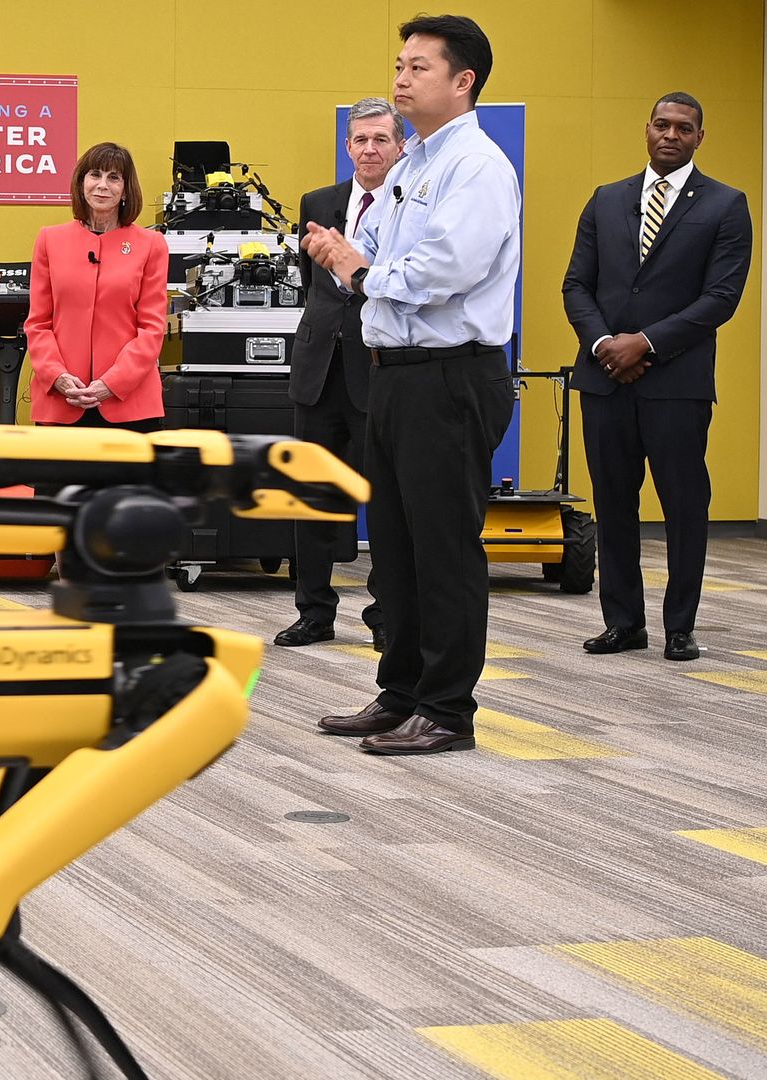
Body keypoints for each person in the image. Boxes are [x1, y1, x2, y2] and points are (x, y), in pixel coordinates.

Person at [300, 14, 520, 755]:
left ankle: (448, 709)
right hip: (392, 375)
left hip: (450, 376)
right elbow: (390, 264)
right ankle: (400, 693)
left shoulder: (478, 166)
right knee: (393, 546)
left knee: (444, 547)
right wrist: (349, 255)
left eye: (419, 67)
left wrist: (355, 270)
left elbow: (442, 270)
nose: (401, 78)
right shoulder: (411, 164)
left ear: (463, 81)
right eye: (398, 64)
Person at [563, 93, 753, 663]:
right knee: (613, 503)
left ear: (700, 137)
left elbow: (721, 297)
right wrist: (604, 345)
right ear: (647, 130)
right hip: (604, 380)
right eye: (662, 125)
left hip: (676, 383)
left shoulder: (726, 204)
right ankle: (623, 623)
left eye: (685, 128)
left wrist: (643, 343)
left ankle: (680, 626)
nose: (671, 134)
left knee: (683, 505)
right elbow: (577, 285)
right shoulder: (606, 199)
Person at [276, 99, 399, 650]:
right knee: (311, 495)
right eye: (360, 140)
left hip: (377, 369)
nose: (369, 149)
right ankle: (313, 610)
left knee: (386, 499)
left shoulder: (408, 203)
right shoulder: (319, 202)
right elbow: (316, 283)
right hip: (318, 366)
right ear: (347, 146)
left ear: (400, 147)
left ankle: (386, 614)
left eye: (380, 139)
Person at [23, 141, 168, 432]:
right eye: (95, 175)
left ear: (126, 189)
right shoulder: (49, 240)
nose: (103, 185)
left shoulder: (151, 245)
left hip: (130, 406)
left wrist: (111, 383)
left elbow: (152, 329)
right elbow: (38, 323)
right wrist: (57, 376)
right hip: (61, 400)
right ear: (81, 182)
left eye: (114, 178)